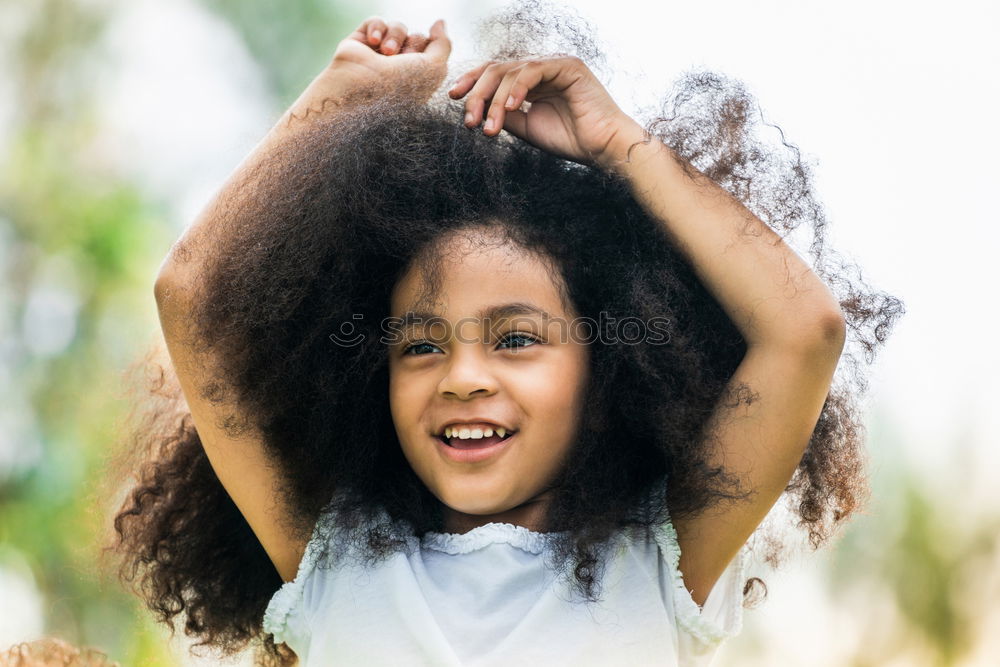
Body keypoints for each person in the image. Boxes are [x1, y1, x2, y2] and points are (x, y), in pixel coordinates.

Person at [107, 4, 902, 666]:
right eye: (419, 345)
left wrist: (622, 148)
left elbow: (804, 331)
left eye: (517, 339)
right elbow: (191, 294)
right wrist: (343, 99)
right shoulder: (330, 564)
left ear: (608, 373)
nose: (462, 376)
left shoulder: (659, 564)